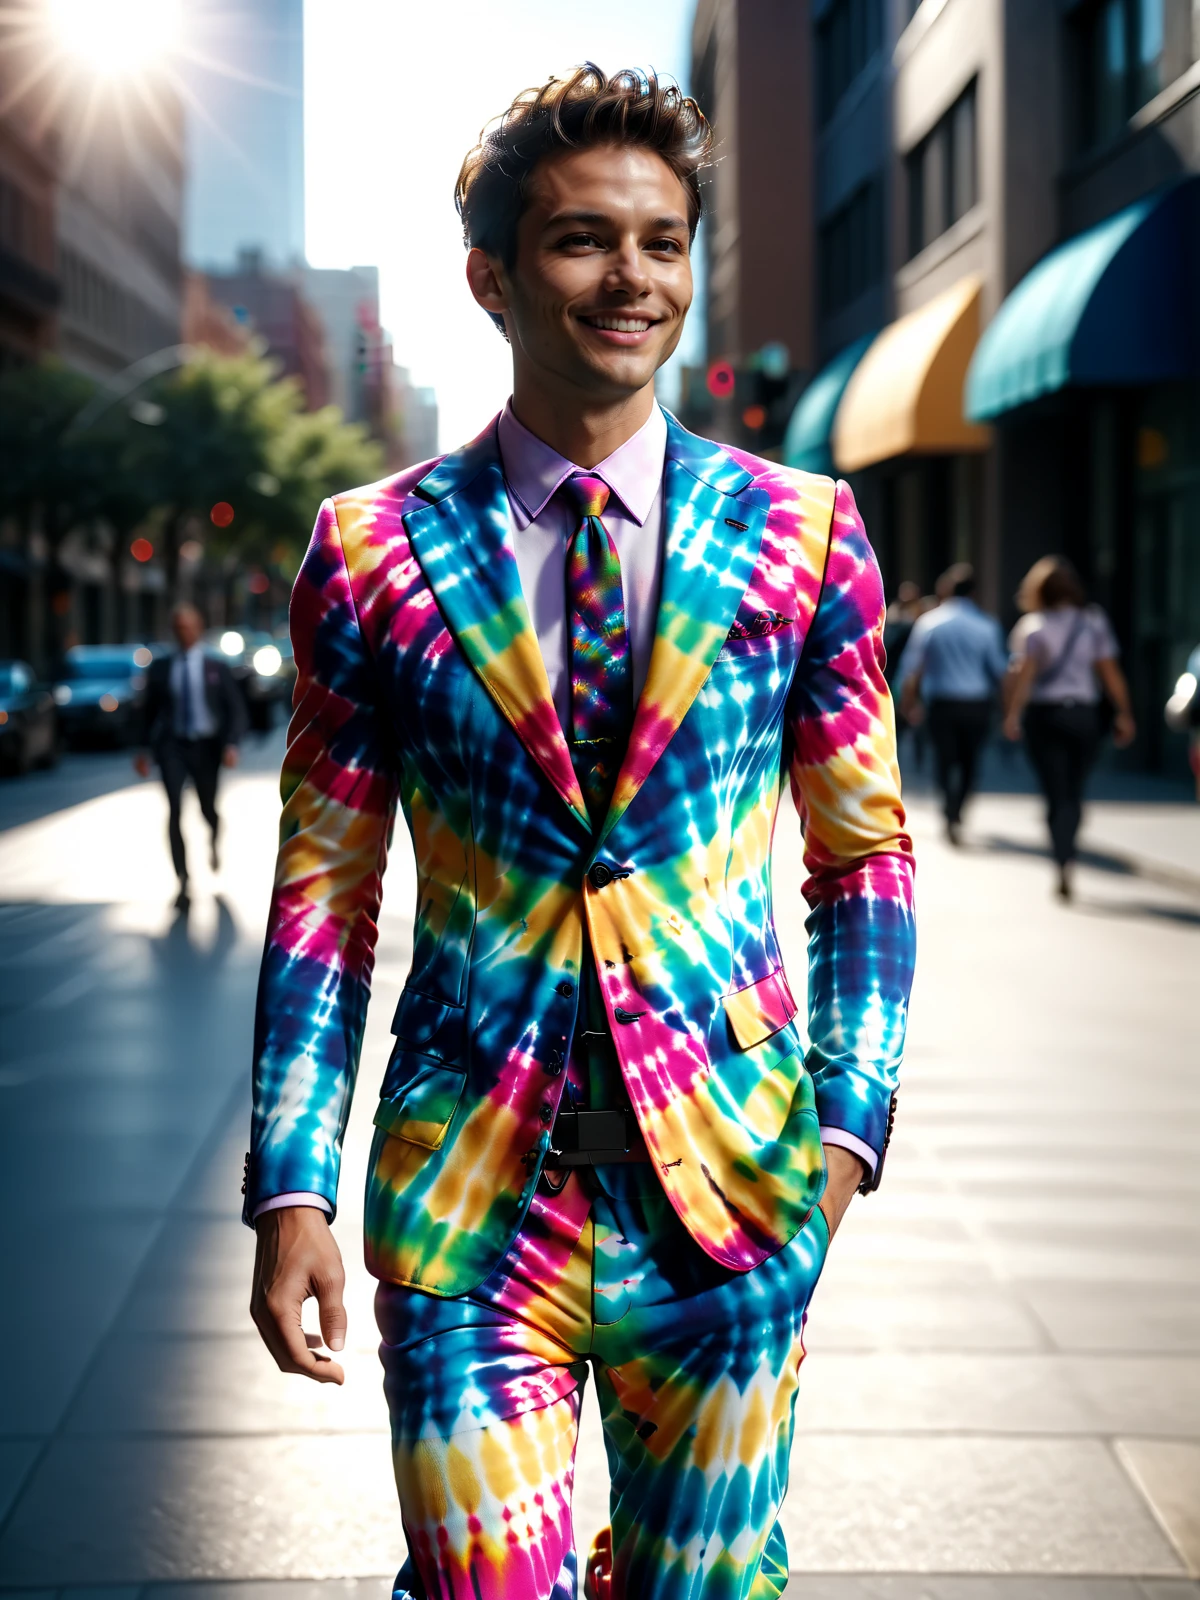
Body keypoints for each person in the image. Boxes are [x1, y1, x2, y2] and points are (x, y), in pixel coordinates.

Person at [244, 67, 916, 1600]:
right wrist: (294, 1182)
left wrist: (843, 1136)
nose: (634, 279)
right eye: (581, 241)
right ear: (491, 275)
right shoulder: (370, 551)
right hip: (478, 1203)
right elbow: (322, 900)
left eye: (663, 241)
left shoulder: (807, 535)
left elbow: (865, 860)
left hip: (731, 1202)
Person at [1003, 555, 1135, 899]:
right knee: (1074, 789)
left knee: (1054, 790)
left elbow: (1024, 676)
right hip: (1083, 716)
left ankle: (1062, 858)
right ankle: (1069, 849)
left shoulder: (1033, 626)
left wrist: (1012, 715)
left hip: (1044, 717)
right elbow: (1109, 672)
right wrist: (1123, 712)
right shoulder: (1093, 622)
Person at [135, 602, 246, 908]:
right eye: (178, 627)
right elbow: (148, 712)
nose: (183, 633)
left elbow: (235, 710)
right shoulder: (161, 668)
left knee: (208, 808)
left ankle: (213, 835)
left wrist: (231, 745)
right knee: (174, 809)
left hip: (207, 747)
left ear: (198, 629)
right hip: (172, 746)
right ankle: (183, 879)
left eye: (188, 626)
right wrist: (143, 750)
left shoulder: (215, 667)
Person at [898, 562, 1007, 844]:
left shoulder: (930, 623)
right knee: (971, 760)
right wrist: (1007, 709)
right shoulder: (987, 625)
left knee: (944, 759)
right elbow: (999, 670)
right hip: (976, 703)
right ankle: (958, 807)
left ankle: (948, 809)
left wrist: (907, 703)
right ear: (974, 593)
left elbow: (912, 669)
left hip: (941, 704)